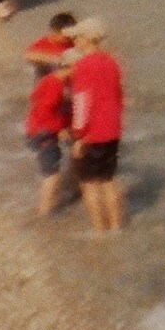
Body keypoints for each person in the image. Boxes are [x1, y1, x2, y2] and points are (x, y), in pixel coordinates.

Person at [65, 17, 126, 233]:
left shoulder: (84, 66)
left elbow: (82, 102)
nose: (74, 41)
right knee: (109, 180)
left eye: (77, 37)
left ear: (88, 39)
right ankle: (117, 228)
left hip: (93, 132)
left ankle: (100, 230)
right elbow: (119, 96)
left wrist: (79, 135)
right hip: (113, 129)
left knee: (89, 183)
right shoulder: (112, 62)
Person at [24, 35, 76, 218]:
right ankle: (45, 213)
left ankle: (69, 192)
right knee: (51, 175)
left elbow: (35, 101)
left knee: (64, 162)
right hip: (43, 133)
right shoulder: (56, 84)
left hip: (38, 130)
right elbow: (44, 111)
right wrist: (60, 128)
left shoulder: (49, 80)